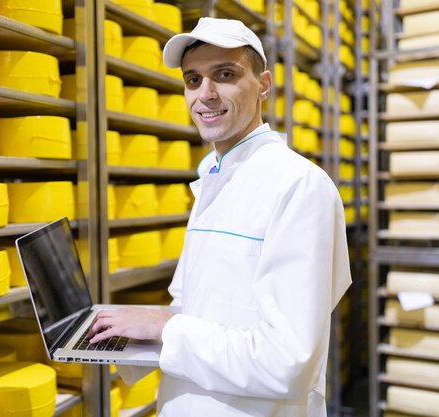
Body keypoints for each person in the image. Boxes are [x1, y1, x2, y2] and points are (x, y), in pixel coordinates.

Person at [88, 17, 351, 416]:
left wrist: (163, 328)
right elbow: (196, 307)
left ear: (263, 85)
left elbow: (289, 363)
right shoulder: (216, 176)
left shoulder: (298, 186)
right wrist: (128, 327)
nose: (205, 94)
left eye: (224, 75)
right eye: (193, 80)